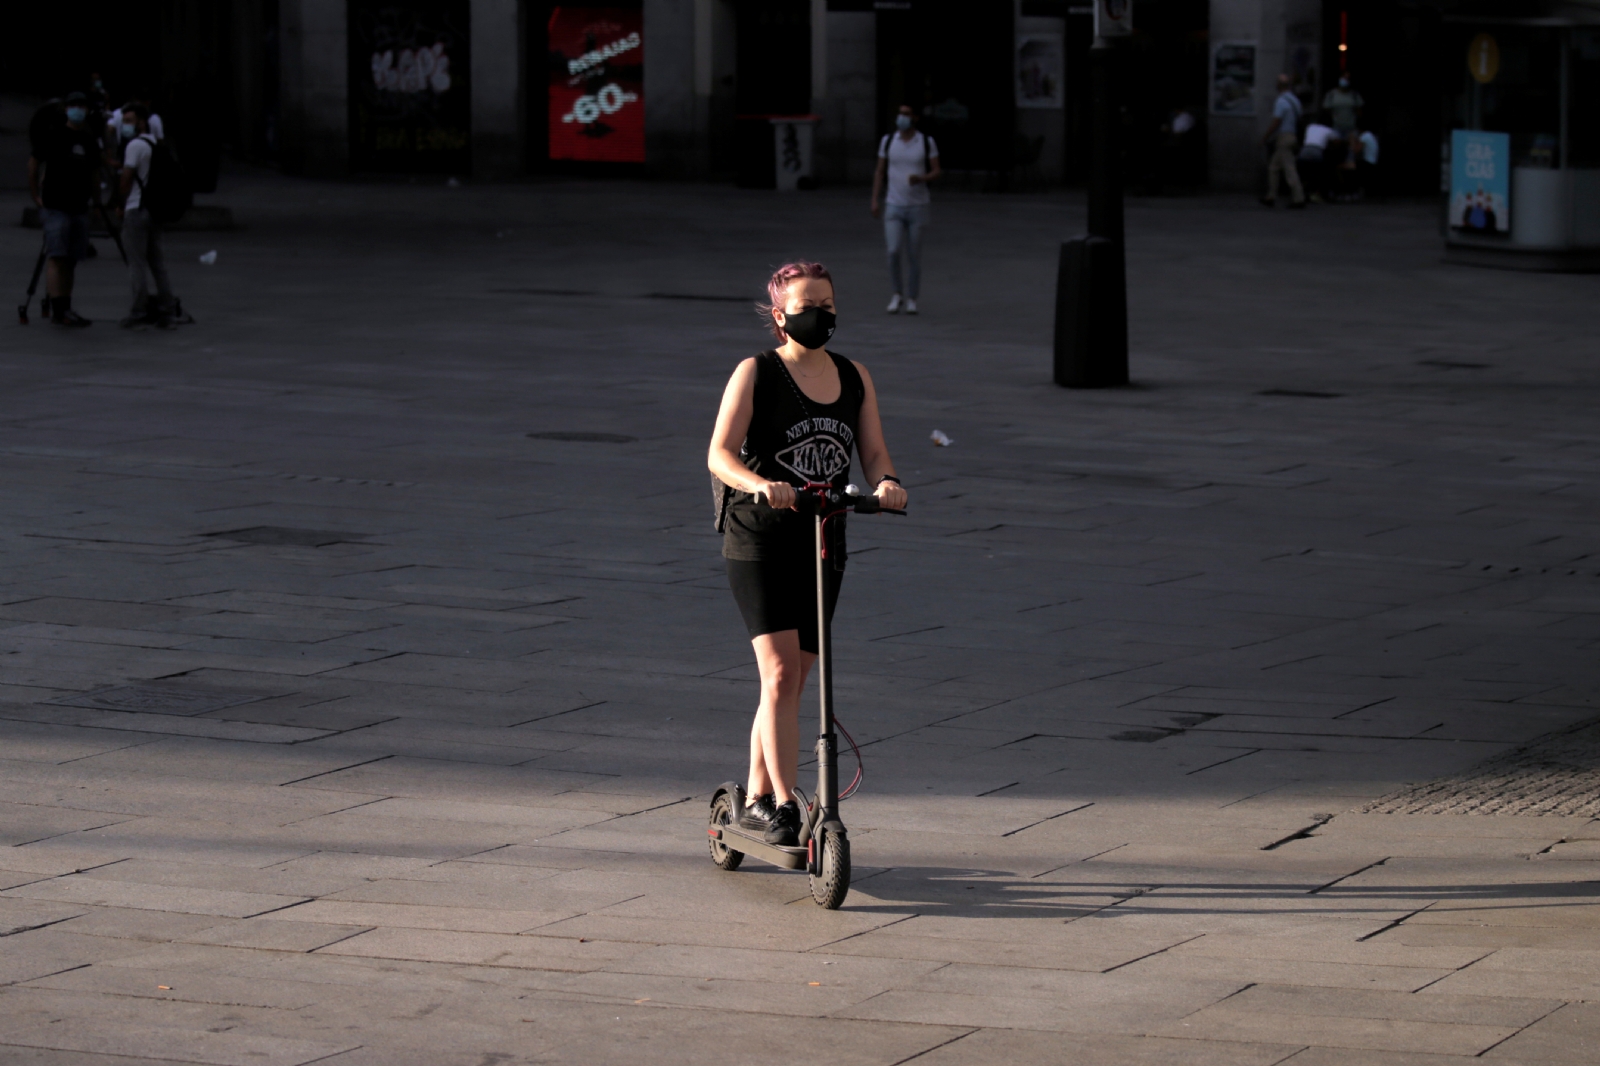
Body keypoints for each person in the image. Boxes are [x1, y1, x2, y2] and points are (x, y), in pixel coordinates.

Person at [707, 261, 908, 847]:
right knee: (777, 672)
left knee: (792, 683)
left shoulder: (855, 375)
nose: (819, 314)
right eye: (806, 304)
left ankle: (751, 794)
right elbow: (719, 453)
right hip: (759, 536)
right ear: (780, 315)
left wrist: (888, 482)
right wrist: (758, 482)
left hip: (822, 536)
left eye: (827, 304)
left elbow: (873, 450)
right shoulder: (757, 373)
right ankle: (781, 804)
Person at [27, 91, 100, 327]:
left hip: (78, 205)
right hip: (56, 204)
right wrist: (36, 194)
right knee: (57, 256)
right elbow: (34, 161)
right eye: (74, 105)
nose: (78, 110)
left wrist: (97, 200)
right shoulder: (54, 135)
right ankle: (59, 308)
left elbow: (94, 172)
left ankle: (65, 305)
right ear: (67, 109)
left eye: (82, 105)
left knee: (71, 259)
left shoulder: (88, 140)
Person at [871, 105, 941, 314]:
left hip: (918, 206)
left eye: (907, 114)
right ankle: (896, 294)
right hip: (893, 204)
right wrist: (875, 199)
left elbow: (937, 170)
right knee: (893, 251)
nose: (902, 117)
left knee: (913, 254)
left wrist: (922, 178)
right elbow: (880, 170)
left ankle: (912, 297)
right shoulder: (889, 141)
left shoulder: (926, 142)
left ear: (915, 118)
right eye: (900, 113)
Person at [116, 104, 176, 329]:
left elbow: (126, 178)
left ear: (142, 122)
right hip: (155, 210)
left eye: (130, 120)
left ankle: (140, 309)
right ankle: (167, 310)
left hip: (137, 208)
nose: (126, 125)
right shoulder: (156, 145)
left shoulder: (135, 145)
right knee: (158, 263)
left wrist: (120, 204)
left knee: (137, 263)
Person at [1260, 74, 1306, 209]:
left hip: (1284, 138)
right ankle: (1271, 196)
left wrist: (1265, 137)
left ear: (1279, 85)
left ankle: (1299, 198)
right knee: (1273, 167)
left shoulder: (1281, 101)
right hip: (1293, 136)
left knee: (1289, 168)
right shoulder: (1295, 101)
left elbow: (1276, 121)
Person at [1298, 114, 1342, 204]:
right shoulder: (1329, 130)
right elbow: (1337, 142)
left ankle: (1300, 192)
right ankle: (1316, 193)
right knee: (1321, 172)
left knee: (1305, 172)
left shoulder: (1310, 127)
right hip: (1316, 152)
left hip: (1304, 151)